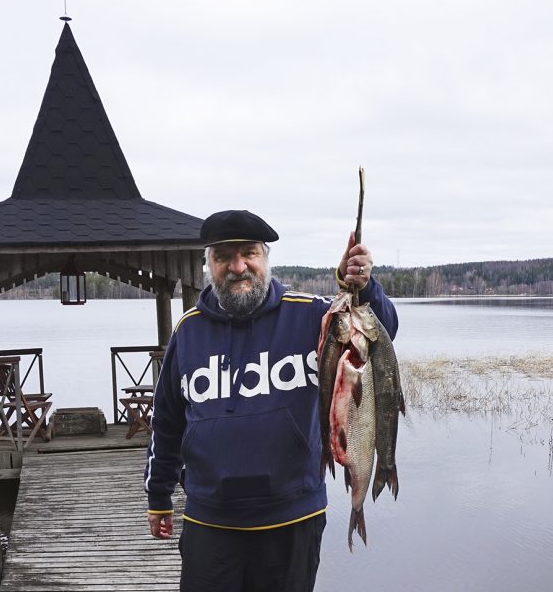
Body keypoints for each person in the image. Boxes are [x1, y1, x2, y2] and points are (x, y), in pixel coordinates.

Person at [144, 209, 398, 592]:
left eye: (249, 253)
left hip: (292, 519)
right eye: (224, 257)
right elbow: (166, 422)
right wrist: (159, 495)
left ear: (265, 258)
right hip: (210, 523)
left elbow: (381, 332)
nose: (238, 266)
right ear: (207, 265)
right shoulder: (189, 330)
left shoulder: (313, 315)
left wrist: (363, 285)